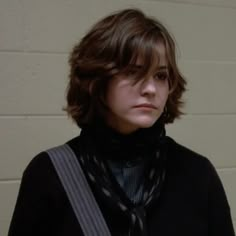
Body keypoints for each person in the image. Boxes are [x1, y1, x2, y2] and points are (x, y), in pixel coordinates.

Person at [8, 8, 235, 236]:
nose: (150, 89)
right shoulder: (51, 174)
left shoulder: (197, 174)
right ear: (97, 80)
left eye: (161, 76)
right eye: (133, 72)